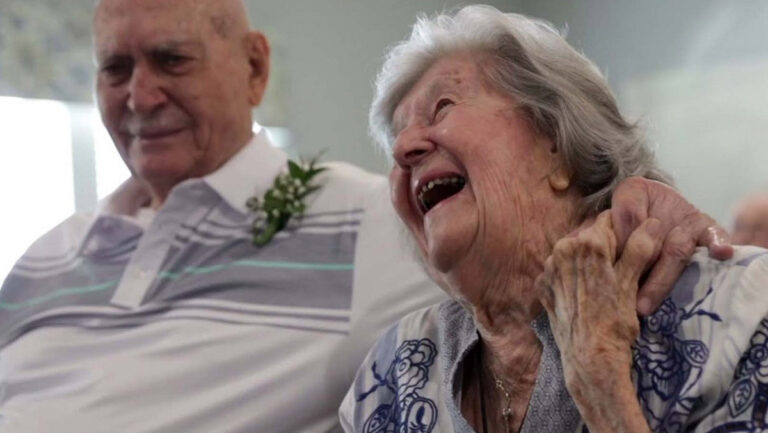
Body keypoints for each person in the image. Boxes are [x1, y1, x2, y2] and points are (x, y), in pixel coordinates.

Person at [0, 1, 728, 432]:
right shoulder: (42, 254)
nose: (139, 94)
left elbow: (541, 235)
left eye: (171, 59)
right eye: (114, 69)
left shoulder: (361, 222)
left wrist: (645, 193)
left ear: (256, 69)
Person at [340, 6, 766, 433]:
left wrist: (600, 379)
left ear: (557, 143)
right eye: (396, 137)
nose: (403, 149)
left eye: (443, 106)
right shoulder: (392, 376)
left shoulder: (739, 311)